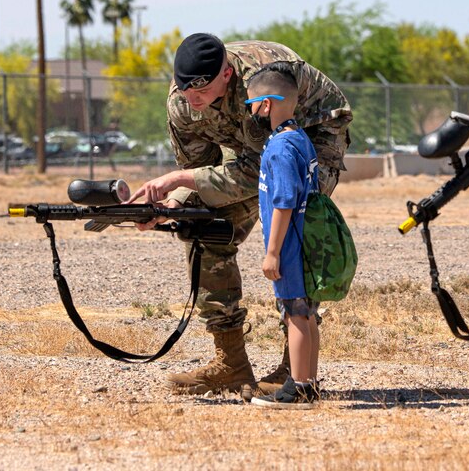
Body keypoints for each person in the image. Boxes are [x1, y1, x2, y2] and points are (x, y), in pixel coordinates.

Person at [127, 33, 352, 396]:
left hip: (313, 133)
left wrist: (180, 180)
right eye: (186, 91)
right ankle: (231, 363)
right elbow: (201, 173)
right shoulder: (182, 103)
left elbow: (268, 169)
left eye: (201, 91)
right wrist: (172, 207)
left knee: (295, 232)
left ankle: (295, 374)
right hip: (255, 152)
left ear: (227, 75)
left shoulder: (262, 89)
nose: (193, 100)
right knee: (200, 226)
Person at [244, 66, 322, 408]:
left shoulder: (280, 147)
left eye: (251, 104)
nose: (249, 111)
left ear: (265, 105)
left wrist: (272, 251)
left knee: (295, 312)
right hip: (303, 243)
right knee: (305, 312)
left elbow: (284, 201)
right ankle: (310, 383)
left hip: (290, 245)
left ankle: (300, 388)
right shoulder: (300, 138)